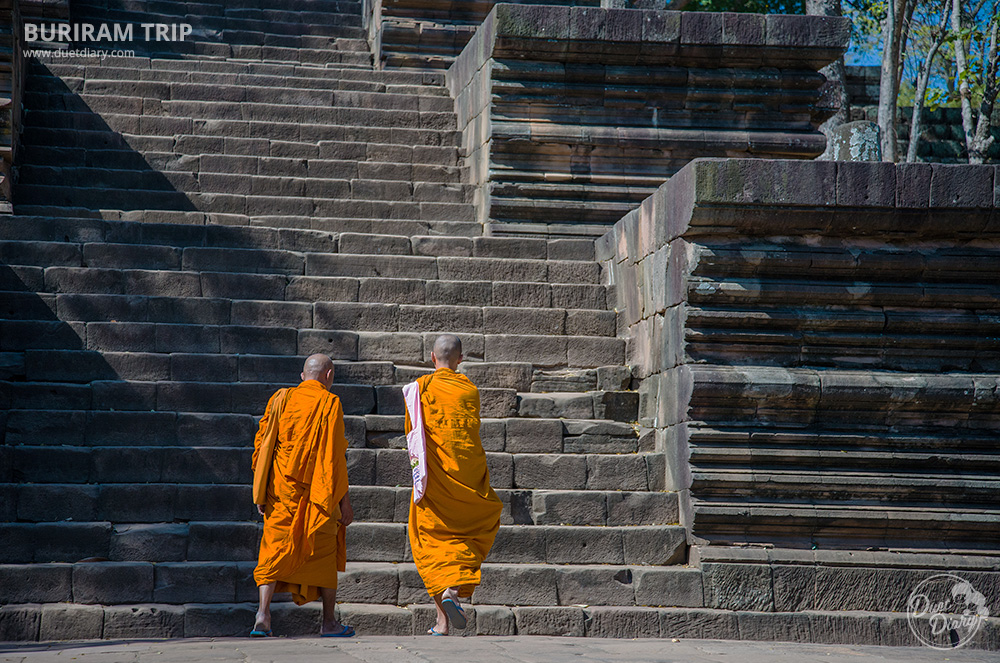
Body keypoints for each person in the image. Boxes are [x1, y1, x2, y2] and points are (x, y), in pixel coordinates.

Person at [405, 334, 503, 635]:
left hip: (435, 482)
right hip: (468, 477)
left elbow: (414, 435)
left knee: (431, 543)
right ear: (460, 359)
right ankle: (452, 596)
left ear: (432, 358)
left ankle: (442, 619)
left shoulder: (419, 389)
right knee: (471, 533)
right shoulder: (469, 390)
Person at [250, 354, 354, 638]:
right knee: (324, 554)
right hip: (318, 497)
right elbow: (334, 459)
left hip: (281, 493)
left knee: (273, 550)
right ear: (329, 375)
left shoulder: (281, 400)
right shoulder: (330, 404)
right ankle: (329, 622)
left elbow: (264, 448)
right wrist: (345, 501)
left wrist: (261, 491)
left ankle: (263, 614)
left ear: (302, 375)